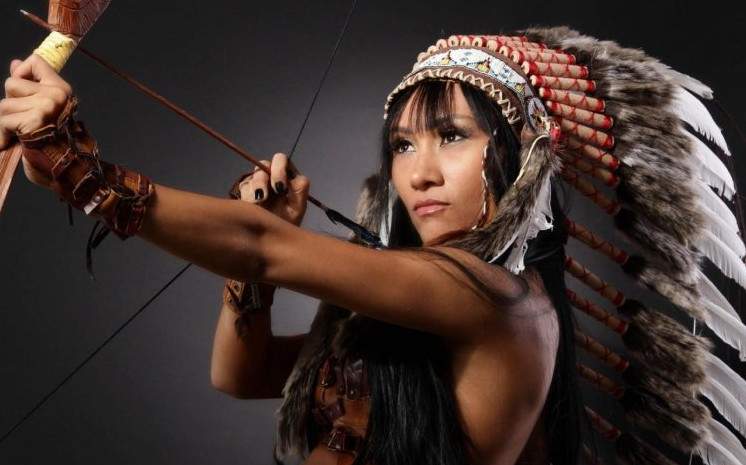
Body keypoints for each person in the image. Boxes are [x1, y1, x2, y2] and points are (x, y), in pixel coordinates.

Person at [4, 27, 745, 465]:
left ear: (519, 160)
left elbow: (260, 247)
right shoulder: (412, 300)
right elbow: (241, 371)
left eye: (452, 136)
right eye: (402, 144)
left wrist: (81, 172)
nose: (419, 172)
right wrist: (256, 273)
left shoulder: (498, 300)